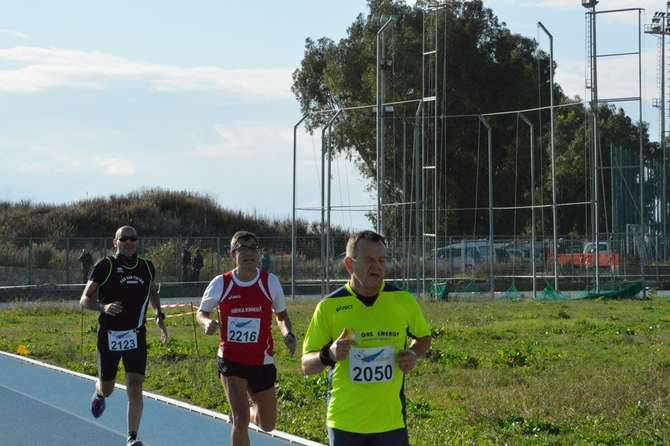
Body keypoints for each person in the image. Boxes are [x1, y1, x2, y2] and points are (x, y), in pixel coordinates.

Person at [301, 230, 432, 446]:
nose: (377, 266)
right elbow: (306, 365)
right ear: (349, 264)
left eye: (381, 260)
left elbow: (424, 337)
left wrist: (413, 353)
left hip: (391, 423)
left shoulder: (403, 301)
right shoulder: (329, 307)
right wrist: (329, 354)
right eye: (369, 260)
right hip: (345, 423)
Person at [197, 230, 296, 446]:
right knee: (241, 421)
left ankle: (245, 412)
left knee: (267, 424)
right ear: (233, 254)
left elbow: (281, 315)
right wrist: (207, 323)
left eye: (253, 249)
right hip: (231, 360)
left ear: (259, 254)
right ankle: (240, 414)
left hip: (261, 361)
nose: (249, 254)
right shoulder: (221, 283)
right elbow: (201, 313)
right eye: (242, 249)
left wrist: (288, 333)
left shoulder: (269, 282)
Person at [80, 225, 169, 446]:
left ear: (137, 242)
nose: (129, 242)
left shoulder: (146, 267)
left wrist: (159, 314)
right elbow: (84, 300)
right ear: (115, 242)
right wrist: (103, 307)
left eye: (133, 238)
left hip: (136, 335)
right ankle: (99, 393)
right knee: (108, 388)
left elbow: (152, 291)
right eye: (124, 239)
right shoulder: (105, 266)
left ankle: (132, 438)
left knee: (135, 385)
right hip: (109, 336)